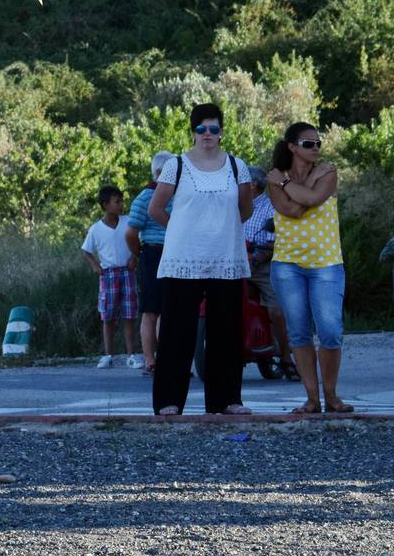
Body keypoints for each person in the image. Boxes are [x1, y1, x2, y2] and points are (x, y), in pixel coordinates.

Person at [148, 103, 254, 415]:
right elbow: (156, 208)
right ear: (193, 132)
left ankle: (227, 400)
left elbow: (245, 208)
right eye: (201, 128)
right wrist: (181, 228)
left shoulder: (237, 166)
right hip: (184, 259)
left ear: (221, 132)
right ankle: (169, 401)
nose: (207, 134)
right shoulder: (176, 166)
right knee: (176, 333)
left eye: (214, 128)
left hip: (226, 257)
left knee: (226, 332)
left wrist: (224, 229)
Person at [266, 122, 351, 414]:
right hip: (287, 265)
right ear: (291, 147)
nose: (315, 148)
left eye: (318, 143)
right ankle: (312, 399)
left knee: (330, 332)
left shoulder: (326, 172)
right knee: (299, 334)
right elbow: (292, 210)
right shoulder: (273, 180)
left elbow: (312, 200)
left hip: (326, 264)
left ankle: (332, 396)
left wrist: (287, 185)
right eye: (308, 144)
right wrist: (298, 189)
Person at [242, 170, 296, 379]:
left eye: (243, 181)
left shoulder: (271, 206)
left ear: (253, 184)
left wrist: (260, 256)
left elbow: (281, 238)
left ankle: (286, 358)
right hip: (237, 263)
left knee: (276, 310)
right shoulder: (237, 205)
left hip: (262, 266)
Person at [82, 184, 141, 369]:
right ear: (105, 204)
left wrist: (135, 256)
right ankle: (108, 355)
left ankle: (131, 354)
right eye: (117, 201)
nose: (121, 204)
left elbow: (139, 241)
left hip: (127, 271)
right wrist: (95, 265)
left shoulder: (128, 222)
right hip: (108, 274)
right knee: (108, 316)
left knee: (129, 314)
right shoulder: (96, 229)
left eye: (121, 201)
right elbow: (86, 250)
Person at [125, 151, 173, 374]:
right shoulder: (145, 197)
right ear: (158, 173)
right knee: (151, 310)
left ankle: (166, 359)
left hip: (174, 254)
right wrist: (138, 253)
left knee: (168, 309)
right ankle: (149, 360)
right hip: (153, 254)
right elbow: (131, 233)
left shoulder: (178, 194)